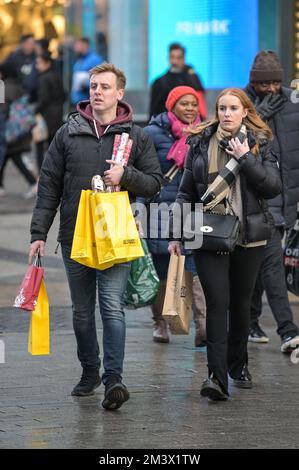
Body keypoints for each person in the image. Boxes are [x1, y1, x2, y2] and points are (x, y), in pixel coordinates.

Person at [29, 63, 163, 410]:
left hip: (117, 236)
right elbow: (49, 187)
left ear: (120, 93)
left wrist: (127, 175)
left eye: (105, 86)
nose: (97, 91)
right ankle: (90, 370)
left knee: (111, 308)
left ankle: (113, 379)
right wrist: (38, 233)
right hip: (76, 236)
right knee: (82, 312)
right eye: (92, 86)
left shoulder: (136, 135)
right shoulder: (67, 133)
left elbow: (155, 183)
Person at [169, 88, 281, 401]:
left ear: (245, 111)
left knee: (241, 304)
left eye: (233, 108)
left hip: (249, 236)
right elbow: (185, 192)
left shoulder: (259, 143)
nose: (227, 114)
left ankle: (238, 363)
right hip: (209, 234)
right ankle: (216, 378)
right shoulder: (201, 142)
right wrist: (177, 234)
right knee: (217, 303)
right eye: (222, 108)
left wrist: (245, 158)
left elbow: (272, 187)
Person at [143, 85, 206, 346]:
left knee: (196, 270)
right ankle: (160, 322)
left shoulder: (205, 133)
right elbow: (144, 174)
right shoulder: (151, 134)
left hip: (192, 211)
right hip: (159, 211)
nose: (190, 108)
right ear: (172, 106)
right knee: (162, 273)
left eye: (194, 103)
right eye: (184, 103)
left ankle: (203, 325)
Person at [245, 51, 299, 353]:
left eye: (277, 82)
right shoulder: (241, 101)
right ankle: (288, 330)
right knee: (271, 266)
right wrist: (260, 114)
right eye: (266, 84)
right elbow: (235, 141)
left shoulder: (293, 101)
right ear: (255, 83)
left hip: (289, 195)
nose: (273, 89)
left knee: (262, 267)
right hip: (261, 200)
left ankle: (251, 321)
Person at [0, 63, 37, 198]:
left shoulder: (4, 87)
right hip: (19, 130)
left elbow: (2, 111)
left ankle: (33, 183)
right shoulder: (19, 86)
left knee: (11, 156)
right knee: (9, 157)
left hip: (8, 131)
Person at [149, 43, 207, 120]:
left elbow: (201, 106)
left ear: (184, 59)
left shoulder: (193, 79)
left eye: (178, 58)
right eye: (172, 57)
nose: (174, 61)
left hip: (192, 125)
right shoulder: (159, 82)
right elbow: (153, 110)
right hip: (166, 126)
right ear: (168, 58)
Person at [35, 51, 65, 170]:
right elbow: (64, 95)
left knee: (39, 144)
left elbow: (43, 99)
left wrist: (34, 111)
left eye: (39, 63)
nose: (37, 66)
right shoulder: (57, 76)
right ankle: (55, 171)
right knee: (55, 146)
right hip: (57, 115)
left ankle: (41, 173)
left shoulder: (43, 78)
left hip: (45, 117)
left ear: (47, 63)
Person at [71, 37, 103, 106]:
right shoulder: (79, 61)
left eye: (77, 46)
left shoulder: (95, 60)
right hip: (77, 101)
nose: (75, 49)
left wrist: (85, 85)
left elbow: (100, 79)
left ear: (85, 45)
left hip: (88, 102)